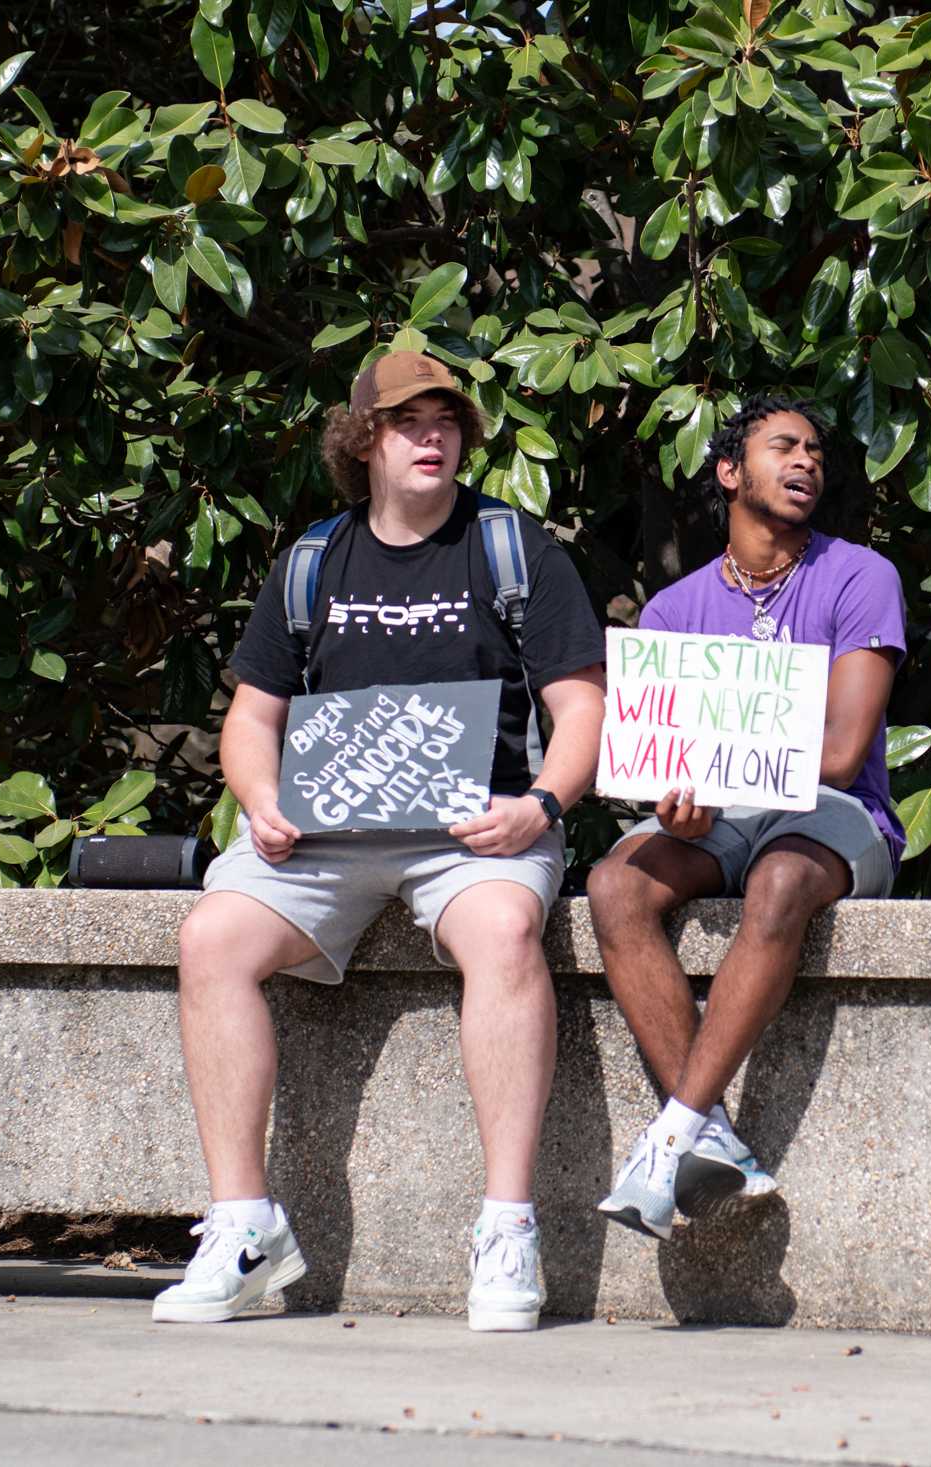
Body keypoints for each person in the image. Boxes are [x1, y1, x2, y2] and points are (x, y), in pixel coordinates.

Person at [153, 352, 606, 1330]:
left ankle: (506, 1230)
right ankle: (243, 1225)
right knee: (211, 940)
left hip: (474, 831)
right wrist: (261, 799)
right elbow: (249, 717)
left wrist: (541, 804)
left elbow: (581, 708)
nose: (432, 435)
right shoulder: (314, 558)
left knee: (503, 936)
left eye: (446, 418)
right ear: (363, 442)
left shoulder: (511, 547)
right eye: (408, 421)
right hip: (326, 833)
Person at [587, 394, 905, 1239]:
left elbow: (840, 752)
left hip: (834, 815)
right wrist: (679, 808)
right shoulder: (671, 613)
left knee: (777, 881)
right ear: (730, 472)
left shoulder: (861, 576)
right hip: (720, 817)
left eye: (815, 452)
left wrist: (718, 769)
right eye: (782, 446)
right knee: (615, 883)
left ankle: (670, 1132)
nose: (806, 462)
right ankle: (714, 1133)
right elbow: (662, 768)